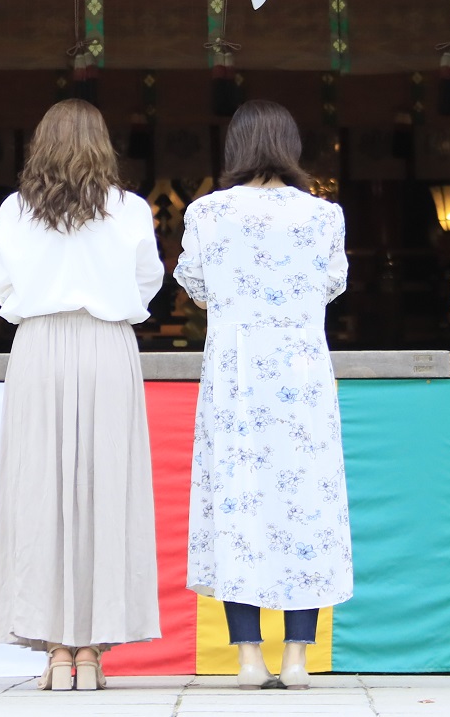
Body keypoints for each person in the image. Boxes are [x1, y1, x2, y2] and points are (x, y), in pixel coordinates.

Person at [174, 99, 352, 690]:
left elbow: (197, 287)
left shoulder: (207, 212)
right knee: (308, 506)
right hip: (302, 378)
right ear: (291, 147)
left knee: (238, 506)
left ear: (235, 148)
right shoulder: (324, 216)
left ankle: (249, 658)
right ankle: (298, 658)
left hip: (237, 378)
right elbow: (330, 286)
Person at [0, 99, 164, 691]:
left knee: (40, 494)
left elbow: (1, 287)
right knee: (105, 493)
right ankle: (91, 651)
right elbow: (148, 282)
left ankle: (57, 652)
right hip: (108, 345)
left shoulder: (15, 210)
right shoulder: (129, 209)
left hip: (39, 348)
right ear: (102, 145)